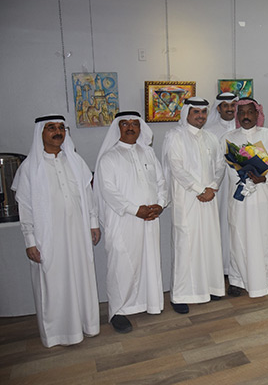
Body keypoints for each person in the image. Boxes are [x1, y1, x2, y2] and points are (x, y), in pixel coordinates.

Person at [12, 115, 100, 348]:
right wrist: (30, 240)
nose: (57, 132)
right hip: (48, 238)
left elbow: (88, 196)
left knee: (81, 277)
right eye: (51, 128)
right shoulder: (30, 168)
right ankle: (58, 334)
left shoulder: (75, 161)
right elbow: (25, 207)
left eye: (61, 127)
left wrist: (93, 223)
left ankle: (87, 325)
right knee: (54, 283)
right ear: (40, 133)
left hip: (78, 234)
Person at [95, 111, 167, 333]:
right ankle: (118, 311)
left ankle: (149, 303)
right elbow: (109, 191)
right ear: (117, 128)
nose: (130, 127)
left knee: (149, 261)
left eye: (135, 124)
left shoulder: (148, 153)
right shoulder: (109, 158)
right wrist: (136, 210)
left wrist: (160, 204)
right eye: (125, 124)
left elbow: (161, 182)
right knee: (121, 265)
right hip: (123, 220)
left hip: (150, 218)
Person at [162, 98, 225, 314]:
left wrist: (213, 186)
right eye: (196, 112)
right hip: (186, 199)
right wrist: (200, 189)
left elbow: (220, 165)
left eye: (203, 112)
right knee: (185, 246)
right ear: (186, 113)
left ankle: (210, 288)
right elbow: (176, 167)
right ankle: (180, 295)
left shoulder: (211, 138)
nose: (200, 116)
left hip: (209, 198)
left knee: (209, 242)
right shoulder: (175, 136)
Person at [222, 97, 268, 297]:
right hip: (239, 198)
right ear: (237, 115)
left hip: (263, 195)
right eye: (242, 112)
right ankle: (238, 279)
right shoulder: (228, 137)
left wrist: (264, 178)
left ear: (257, 114)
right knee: (239, 238)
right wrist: (245, 179)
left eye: (250, 112)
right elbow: (225, 167)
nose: (246, 116)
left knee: (266, 236)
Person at [205, 92, 238, 275]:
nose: (230, 109)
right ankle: (221, 268)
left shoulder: (242, 126)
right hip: (219, 185)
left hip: (239, 183)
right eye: (225, 105)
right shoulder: (210, 131)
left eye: (233, 105)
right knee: (220, 222)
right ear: (218, 108)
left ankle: (235, 267)